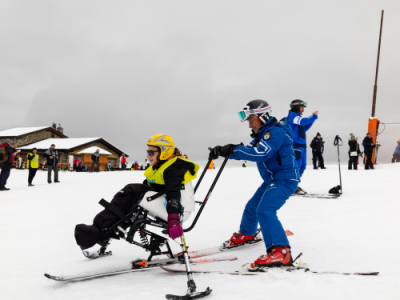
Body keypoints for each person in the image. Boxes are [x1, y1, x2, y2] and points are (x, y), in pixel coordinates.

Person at [209, 99, 299, 270]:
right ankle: (247, 234)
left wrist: (233, 150)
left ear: (262, 117)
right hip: (272, 180)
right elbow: (248, 150)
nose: (249, 126)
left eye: (251, 121)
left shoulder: (275, 133)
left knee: (265, 210)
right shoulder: (262, 135)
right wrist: (225, 150)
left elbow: (261, 153)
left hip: (285, 180)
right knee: (252, 208)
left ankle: (281, 252)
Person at [74, 134, 199, 250]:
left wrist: (173, 218)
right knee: (131, 194)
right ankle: (104, 229)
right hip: (162, 201)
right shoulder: (163, 164)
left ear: (164, 152)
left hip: (175, 210)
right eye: (147, 152)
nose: (147, 156)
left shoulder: (174, 168)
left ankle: (101, 230)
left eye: (151, 152)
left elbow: (173, 192)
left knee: (132, 192)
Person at [287, 99, 318, 194]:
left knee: (303, 166)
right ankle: (290, 186)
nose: (303, 110)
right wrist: (313, 116)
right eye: (302, 108)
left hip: (302, 146)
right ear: (296, 107)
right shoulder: (293, 116)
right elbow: (303, 122)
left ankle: (294, 185)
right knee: (297, 166)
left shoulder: (298, 117)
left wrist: (313, 119)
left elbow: (305, 127)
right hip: (296, 145)